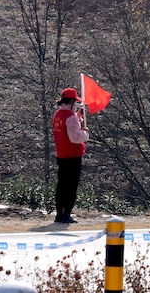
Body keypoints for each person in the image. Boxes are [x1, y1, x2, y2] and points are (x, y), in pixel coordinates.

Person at [51, 87, 89, 224]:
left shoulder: (58, 115)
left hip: (61, 155)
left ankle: (59, 214)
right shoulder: (71, 118)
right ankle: (67, 214)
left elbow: (68, 126)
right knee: (71, 187)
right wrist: (85, 133)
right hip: (73, 156)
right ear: (72, 102)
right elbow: (75, 137)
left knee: (61, 186)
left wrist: (78, 116)